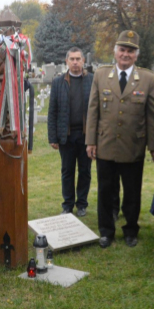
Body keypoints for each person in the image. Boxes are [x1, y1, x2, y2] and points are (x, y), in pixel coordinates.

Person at [86, 30, 154, 249]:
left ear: (136, 54)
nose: (125, 54)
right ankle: (106, 231)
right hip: (105, 144)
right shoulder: (101, 74)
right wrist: (90, 141)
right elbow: (93, 110)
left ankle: (130, 230)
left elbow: (152, 116)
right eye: (122, 50)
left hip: (133, 146)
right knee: (105, 191)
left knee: (132, 193)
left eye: (130, 51)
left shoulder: (148, 78)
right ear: (115, 51)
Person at [47, 47, 93, 217]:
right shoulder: (59, 82)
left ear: (83, 61)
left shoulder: (91, 81)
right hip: (66, 136)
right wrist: (53, 136)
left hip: (85, 135)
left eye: (78, 59)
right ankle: (67, 204)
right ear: (66, 61)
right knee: (67, 171)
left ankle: (82, 204)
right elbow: (53, 111)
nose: (75, 62)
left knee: (85, 171)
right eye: (72, 59)